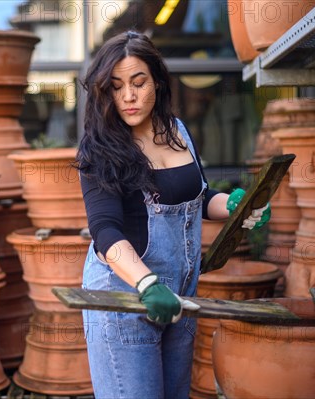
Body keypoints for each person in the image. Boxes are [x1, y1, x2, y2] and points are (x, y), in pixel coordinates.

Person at [76, 31, 270, 399]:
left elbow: (196, 197)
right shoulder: (100, 147)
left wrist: (233, 205)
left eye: (138, 82)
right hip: (126, 298)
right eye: (116, 87)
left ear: (158, 83)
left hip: (179, 296)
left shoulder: (176, 131)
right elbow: (105, 231)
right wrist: (148, 284)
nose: (129, 97)